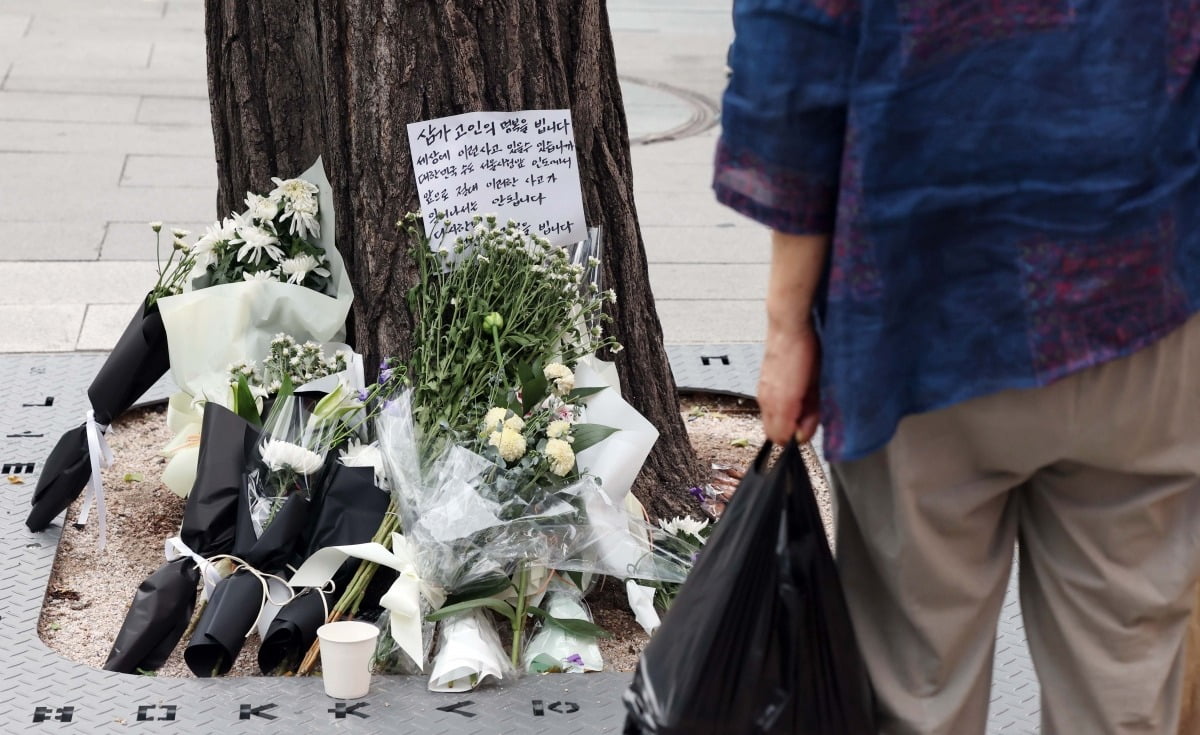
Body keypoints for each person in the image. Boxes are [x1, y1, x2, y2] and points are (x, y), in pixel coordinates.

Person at [714, 1, 1200, 733]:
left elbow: (791, 55)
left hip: (921, 293)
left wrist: (787, 322)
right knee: (1123, 685)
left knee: (918, 687)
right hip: (1141, 276)